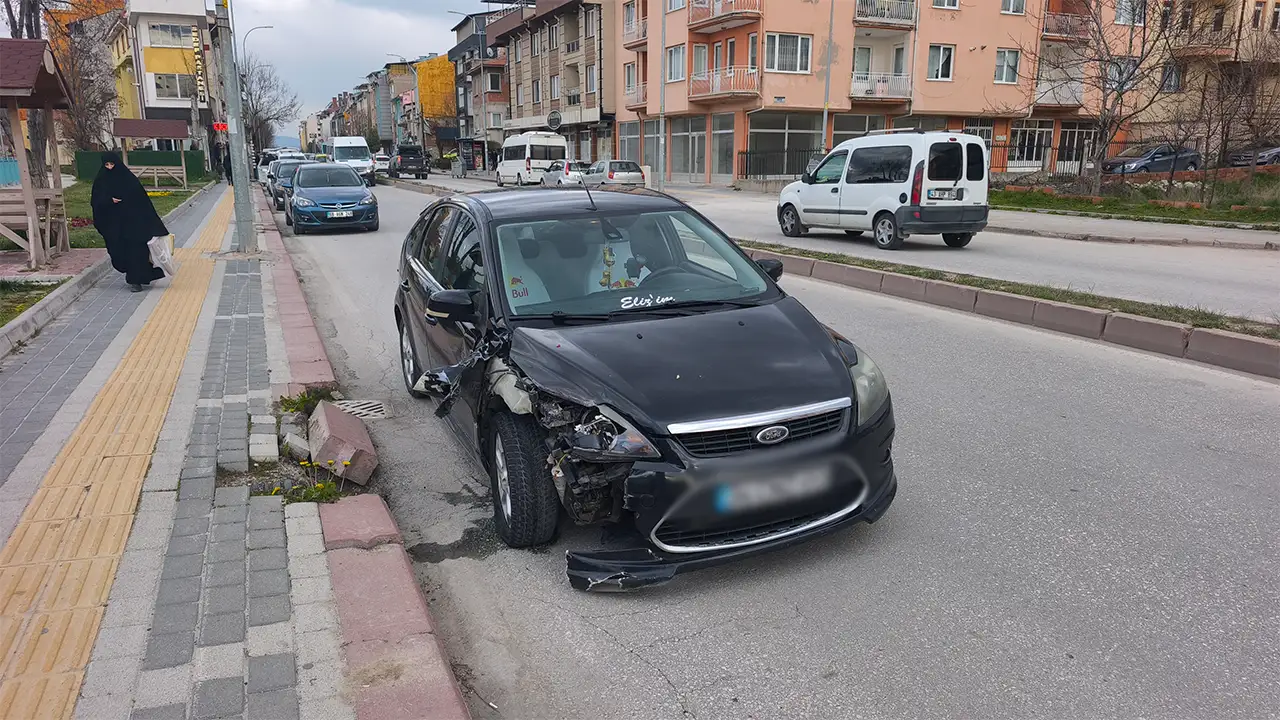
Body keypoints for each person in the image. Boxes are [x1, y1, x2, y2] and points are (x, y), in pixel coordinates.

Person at [91, 152, 167, 292]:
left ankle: (135, 281)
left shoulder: (128, 179)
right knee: (119, 252)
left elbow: (141, 200)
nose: (109, 168)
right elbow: (95, 201)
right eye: (106, 165)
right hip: (114, 225)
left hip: (133, 223)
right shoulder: (101, 180)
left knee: (136, 252)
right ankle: (141, 276)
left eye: (112, 164)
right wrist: (109, 201)